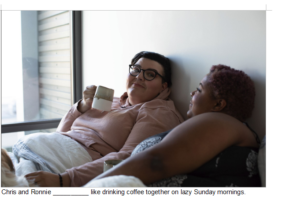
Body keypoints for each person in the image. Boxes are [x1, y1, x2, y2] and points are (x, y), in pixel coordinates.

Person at [23, 51, 184, 187]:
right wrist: (83, 105)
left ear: (164, 86)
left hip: (75, 164)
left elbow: (129, 158)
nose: (139, 77)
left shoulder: (158, 111)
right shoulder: (110, 100)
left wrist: (64, 180)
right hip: (48, 149)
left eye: (150, 74)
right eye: (136, 70)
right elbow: (61, 133)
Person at [90, 64, 261, 187]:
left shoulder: (221, 121)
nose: (191, 93)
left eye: (199, 90)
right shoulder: (220, 127)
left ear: (218, 105)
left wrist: (90, 191)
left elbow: (156, 162)